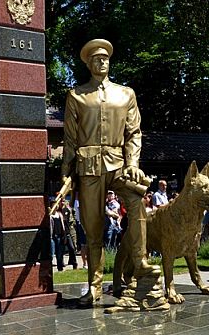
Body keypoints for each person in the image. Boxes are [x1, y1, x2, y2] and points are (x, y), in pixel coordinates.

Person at [61, 39, 155, 305]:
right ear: (89, 64)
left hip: (119, 163)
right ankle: (95, 286)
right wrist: (66, 173)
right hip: (88, 167)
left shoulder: (126, 94)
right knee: (93, 230)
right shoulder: (76, 95)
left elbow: (134, 133)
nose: (102, 62)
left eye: (106, 58)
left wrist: (133, 164)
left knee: (137, 203)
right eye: (97, 59)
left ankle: (140, 264)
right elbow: (69, 139)